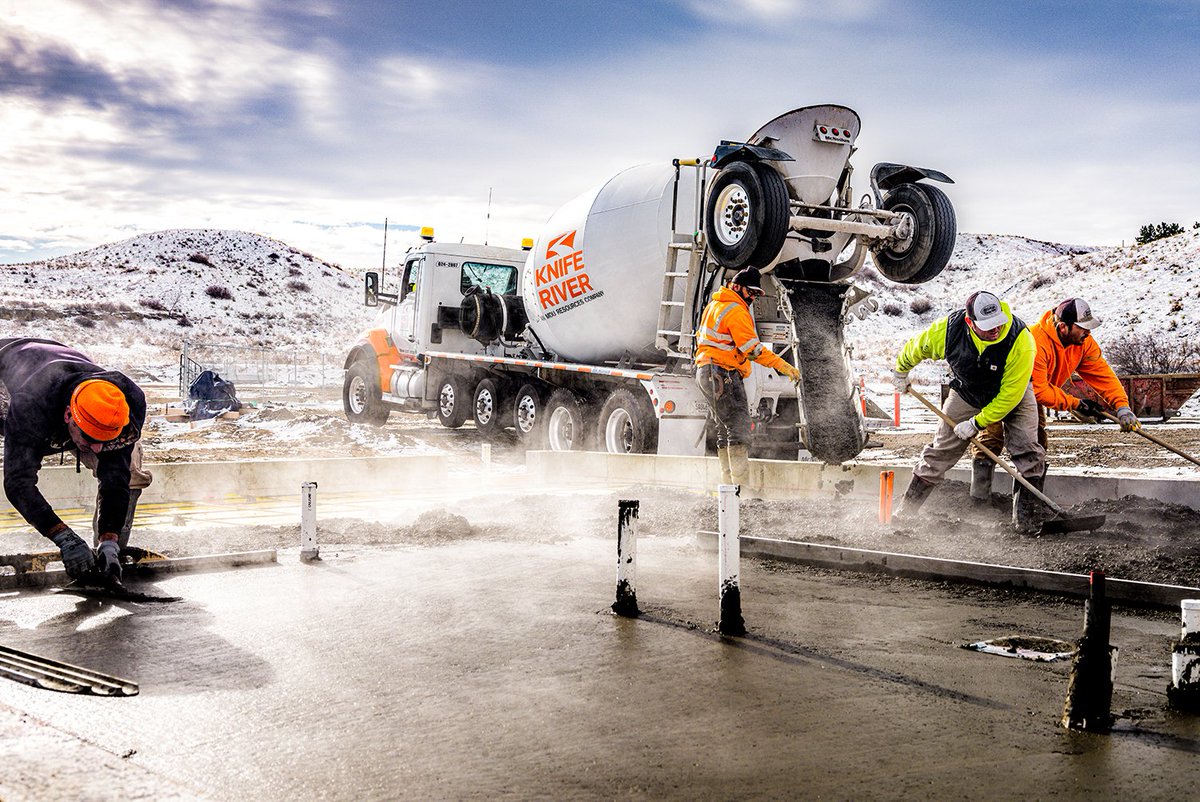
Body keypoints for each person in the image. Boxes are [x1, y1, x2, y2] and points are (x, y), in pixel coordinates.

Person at [891, 291, 1047, 532]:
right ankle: (905, 512)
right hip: (968, 391)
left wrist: (976, 423)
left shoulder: (1021, 339)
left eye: (998, 322)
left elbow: (1009, 396)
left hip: (1013, 393)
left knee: (1028, 449)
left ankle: (1026, 522)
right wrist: (901, 371)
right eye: (987, 326)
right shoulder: (948, 331)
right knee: (940, 451)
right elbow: (917, 347)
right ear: (969, 322)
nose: (995, 329)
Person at [0, 338, 150, 582]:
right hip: (11, 388)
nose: (97, 448)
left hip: (63, 382)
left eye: (105, 440)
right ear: (69, 415)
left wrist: (109, 538)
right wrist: (62, 536)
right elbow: (17, 483)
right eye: (91, 438)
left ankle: (109, 555)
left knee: (130, 468)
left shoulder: (126, 401)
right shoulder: (31, 405)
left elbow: (115, 476)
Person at [969, 297, 1140, 504]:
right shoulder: (1035, 341)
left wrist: (1122, 406)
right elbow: (1039, 390)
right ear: (1063, 327)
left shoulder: (1083, 343)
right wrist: (1076, 404)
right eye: (1083, 328)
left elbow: (1102, 374)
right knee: (990, 440)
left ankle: (1028, 508)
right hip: (996, 389)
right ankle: (979, 503)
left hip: (1028, 394)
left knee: (1036, 445)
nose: (1088, 333)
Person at [694, 267, 801, 487]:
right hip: (721, 373)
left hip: (707, 371)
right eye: (750, 292)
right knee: (739, 427)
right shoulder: (736, 311)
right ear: (736, 287)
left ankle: (727, 486)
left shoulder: (715, 305)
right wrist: (784, 366)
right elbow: (753, 351)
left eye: (755, 294)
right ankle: (739, 488)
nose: (752, 297)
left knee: (724, 427)